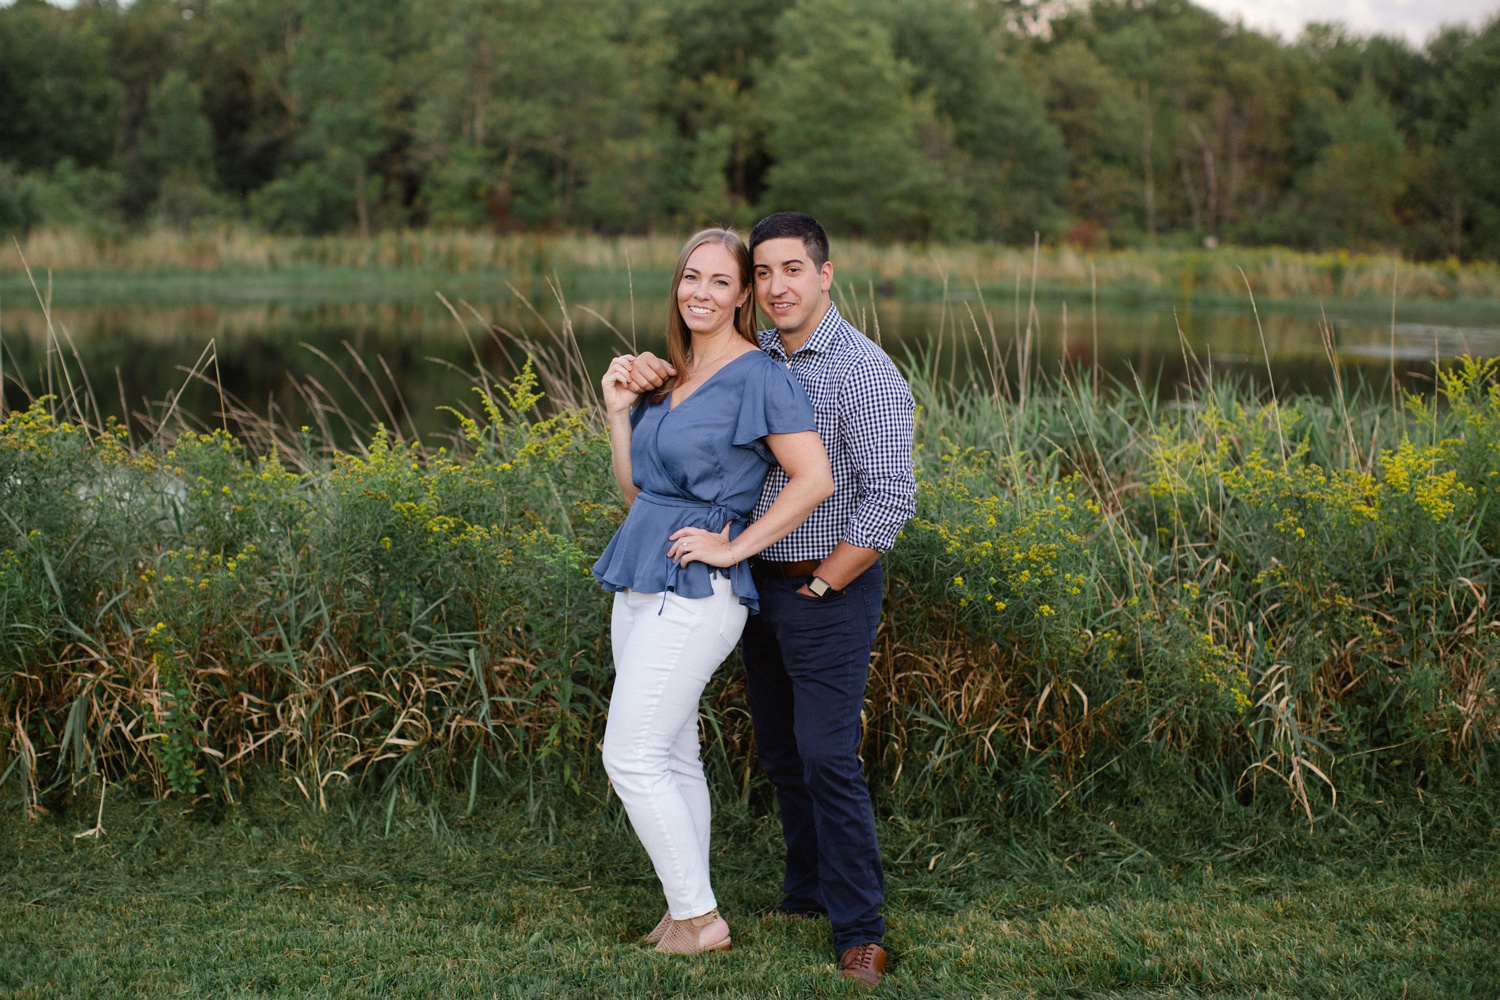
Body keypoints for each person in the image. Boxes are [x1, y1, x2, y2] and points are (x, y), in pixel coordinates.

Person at [624, 212, 917, 986]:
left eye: (793, 270)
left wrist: (825, 580)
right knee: (784, 754)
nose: (777, 286)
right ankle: (804, 893)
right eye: (764, 273)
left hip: (827, 584)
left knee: (827, 755)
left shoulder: (862, 370)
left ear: (826, 275)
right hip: (755, 585)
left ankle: (861, 930)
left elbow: (886, 499)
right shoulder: (752, 360)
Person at [592, 226, 834, 956]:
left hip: (699, 591)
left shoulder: (758, 375)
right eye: (691, 278)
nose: (701, 293)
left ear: (742, 297)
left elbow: (815, 479)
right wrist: (614, 411)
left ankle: (700, 920)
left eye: (720, 282)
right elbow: (639, 488)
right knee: (671, 756)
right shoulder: (671, 376)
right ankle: (683, 910)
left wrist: (733, 545)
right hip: (638, 574)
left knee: (628, 756)